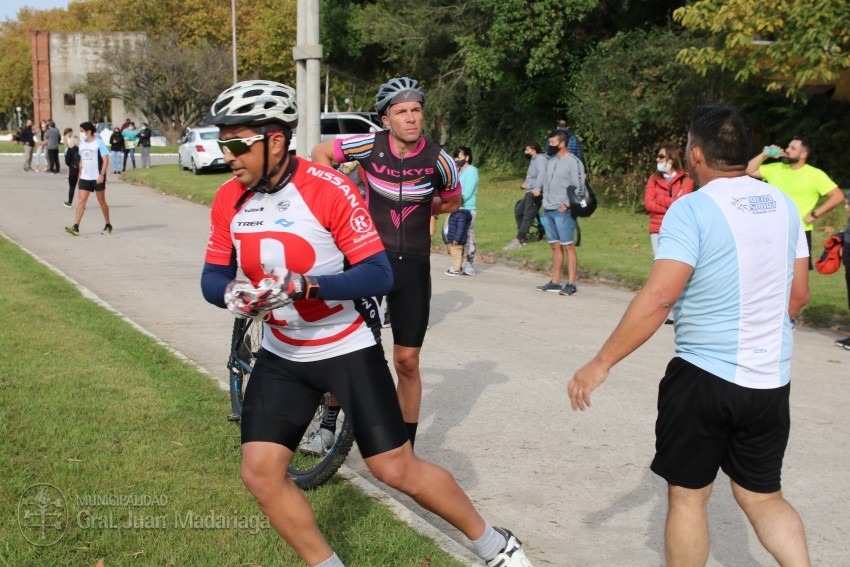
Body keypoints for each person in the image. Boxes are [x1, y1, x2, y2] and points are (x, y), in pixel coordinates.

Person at [199, 79, 533, 567]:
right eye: (222, 141)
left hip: (344, 349)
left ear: (275, 140)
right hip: (283, 354)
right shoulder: (229, 197)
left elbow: (377, 273)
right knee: (261, 471)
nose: (227, 154)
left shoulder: (328, 188)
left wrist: (304, 285)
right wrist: (233, 293)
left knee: (395, 468)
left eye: (236, 142)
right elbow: (211, 275)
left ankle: (495, 545)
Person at [568, 105, 811, 567]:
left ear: (695, 154)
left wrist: (600, 363)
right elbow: (798, 295)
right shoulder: (784, 204)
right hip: (770, 380)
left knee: (688, 499)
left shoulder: (692, 208)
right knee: (763, 498)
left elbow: (660, 299)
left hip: (705, 376)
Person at [311, 77, 462, 448]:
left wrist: (425, 204)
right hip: (366, 259)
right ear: (386, 119)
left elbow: (453, 202)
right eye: (401, 112)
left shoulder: (440, 160)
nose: (411, 118)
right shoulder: (368, 145)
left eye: (416, 110)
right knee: (340, 347)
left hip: (413, 265)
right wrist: (343, 197)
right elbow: (320, 153)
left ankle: (404, 446)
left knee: (407, 362)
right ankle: (328, 426)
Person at [747, 135, 845, 268]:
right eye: (788, 146)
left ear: (803, 154)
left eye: (793, 148)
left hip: (799, 232)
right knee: (770, 272)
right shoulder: (776, 168)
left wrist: (814, 214)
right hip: (771, 230)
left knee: (798, 277)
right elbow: (749, 170)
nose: (787, 150)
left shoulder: (815, 174)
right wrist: (765, 154)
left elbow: (838, 196)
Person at [536, 130, 583, 296]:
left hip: (563, 211)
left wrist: (567, 205)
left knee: (568, 246)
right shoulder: (551, 160)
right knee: (555, 246)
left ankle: (571, 283)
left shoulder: (573, 162)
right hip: (548, 209)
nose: (549, 146)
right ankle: (555, 281)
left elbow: (579, 187)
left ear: (562, 143)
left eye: (553, 143)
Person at [644, 145, 694, 256]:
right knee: (659, 264)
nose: (657, 159)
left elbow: (682, 205)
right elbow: (648, 204)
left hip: (678, 230)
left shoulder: (686, 179)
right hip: (657, 229)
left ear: (672, 159)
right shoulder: (654, 179)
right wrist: (673, 203)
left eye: (661, 156)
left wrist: (659, 199)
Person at [65, 121, 112, 236]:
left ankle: (108, 224)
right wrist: (80, 176)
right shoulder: (81, 144)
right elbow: (81, 161)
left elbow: (105, 160)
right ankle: (75, 226)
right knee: (81, 201)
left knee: (101, 201)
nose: (80, 133)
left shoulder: (99, 143)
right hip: (85, 177)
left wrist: (102, 174)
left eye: (82, 131)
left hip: (97, 177)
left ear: (88, 131)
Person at [505, 142, 547, 250]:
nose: (525, 152)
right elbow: (532, 176)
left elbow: (542, 174)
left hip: (537, 191)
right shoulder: (534, 159)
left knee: (528, 215)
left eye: (527, 150)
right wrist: (526, 183)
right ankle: (524, 234)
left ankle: (519, 239)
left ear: (534, 150)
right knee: (519, 210)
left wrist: (537, 188)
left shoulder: (540, 159)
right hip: (530, 190)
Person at [446, 146, 479, 276]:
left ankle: (469, 265)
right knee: (457, 237)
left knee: (468, 237)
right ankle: (457, 265)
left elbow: (467, 192)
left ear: (467, 157)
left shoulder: (471, 171)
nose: (457, 160)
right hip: (457, 208)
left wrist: (455, 201)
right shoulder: (459, 171)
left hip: (467, 209)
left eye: (459, 157)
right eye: (455, 157)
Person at [63, 130, 80, 208]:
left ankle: (69, 202)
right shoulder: (81, 149)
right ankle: (82, 203)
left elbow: (67, 161)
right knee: (81, 188)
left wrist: (70, 164)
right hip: (81, 170)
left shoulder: (69, 150)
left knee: (72, 187)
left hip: (73, 170)